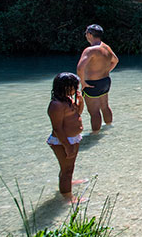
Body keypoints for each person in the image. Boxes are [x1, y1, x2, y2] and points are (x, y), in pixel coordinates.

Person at [47, 73, 87, 204]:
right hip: (62, 141)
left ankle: (68, 183)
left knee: (69, 167)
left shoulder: (67, 100)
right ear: (64, 87)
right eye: (74, 87)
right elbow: (57, 128)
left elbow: (78, 113)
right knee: (66, 169)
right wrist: (67, 146)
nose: (76, 90)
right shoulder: (56, 105)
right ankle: (67, 197)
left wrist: (80, 102)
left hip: (72, 138)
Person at [76, 24, 119, 133]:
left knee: (94, 111)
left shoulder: (90, 50)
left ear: (90, 34)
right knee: (105, 106)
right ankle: (109, 127)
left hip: (92, 84)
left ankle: (95, 135)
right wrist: (106, 71)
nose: (86, 35)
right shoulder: (106, 47)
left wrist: (83, 82)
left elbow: (80, 68)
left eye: (86, 33)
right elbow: (115, 60)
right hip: (105, 81)